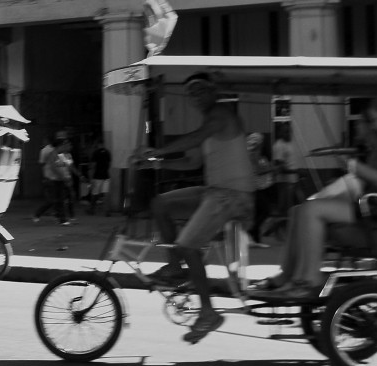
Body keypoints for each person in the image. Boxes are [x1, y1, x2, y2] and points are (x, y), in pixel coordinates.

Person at [122, 72, 254, 344]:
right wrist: (155, 164)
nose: (196, 96)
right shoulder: (209, 123)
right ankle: (174, 268)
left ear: (213, 91)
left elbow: (194, 139)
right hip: (214, 191)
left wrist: (156, 151)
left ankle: (208, 312)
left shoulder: (221, 114)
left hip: (234, 196)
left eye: (201, 90)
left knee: (188, 244)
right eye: (192, 93)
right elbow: (192, 162)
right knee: (160, 203)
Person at [253, 93, 377, 299]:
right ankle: (288, 274)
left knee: (311, 209)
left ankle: (308, 279)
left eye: (376, 120)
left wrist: (352, 165)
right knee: (298, 211)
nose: (375, 126)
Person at [32, 131, 73, 226]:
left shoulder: (62, 155)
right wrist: (64, 177)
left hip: (59, 180)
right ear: (60, 145)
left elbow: (66, 166)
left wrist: (67, 177)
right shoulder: (53, 154)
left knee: (60, 200)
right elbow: (54, 168)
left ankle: (61, 218)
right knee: (52, 200)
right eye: (65, 145)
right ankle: (38, 214)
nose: (66, 147)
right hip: (51, 180)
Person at [245, 132, 276, 245]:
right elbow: (258, 171)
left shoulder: (257, 154)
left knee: (260, 212)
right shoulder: (253, 155)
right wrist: (271, 169)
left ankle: (255, 237)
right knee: (264, 211)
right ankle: (250, 232)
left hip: (262, 188)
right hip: (256, 188)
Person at [87, 137, 112, 216]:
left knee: (95, 194)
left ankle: (92, 210)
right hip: (106, 175)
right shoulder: (108, 152)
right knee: (106, 194)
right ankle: (107, 211)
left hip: (97, 176)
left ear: (97, 144)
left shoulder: (95, 153)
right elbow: (109, 164)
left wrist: (91, 177)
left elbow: (93, 165)